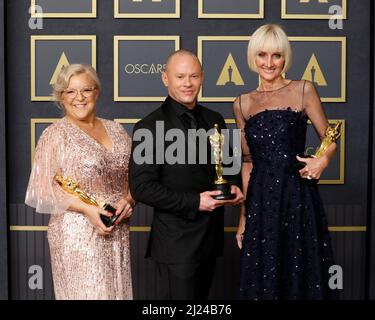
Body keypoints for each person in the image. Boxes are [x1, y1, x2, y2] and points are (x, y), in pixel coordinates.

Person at [233, 24, 338, 300]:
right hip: (260, 203)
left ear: (285, 58)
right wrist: (243, 218)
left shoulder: (303, 90)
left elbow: (330, 137)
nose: (269, 63)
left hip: (296, 197)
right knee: (264, 277)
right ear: (253, 57)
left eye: (276, 55)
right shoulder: (242, 103)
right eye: (262, 55)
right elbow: (247, 162)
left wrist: (322, 161)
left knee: (299, 273)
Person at [129, 50, 244, 300]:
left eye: (193, 76)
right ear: (165, 79)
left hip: (211, 241)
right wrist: (195, 202)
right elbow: (141, 187)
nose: (188, 83)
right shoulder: (148, 126)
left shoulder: (214, 119)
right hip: (176, 244)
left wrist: (235, 186)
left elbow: (231, 166)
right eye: (180, 76)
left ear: (202, 77)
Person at [25, 64, 134, 299]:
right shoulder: (55, 135)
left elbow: (134, 178)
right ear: (61, 97)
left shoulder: (117, 130)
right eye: (70, 92)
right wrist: (87, 209)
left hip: (117, 229)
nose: (79, 98)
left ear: (97, 92)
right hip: (77, 234)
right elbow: (41, 191)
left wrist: (129, 200)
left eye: (86, 90)